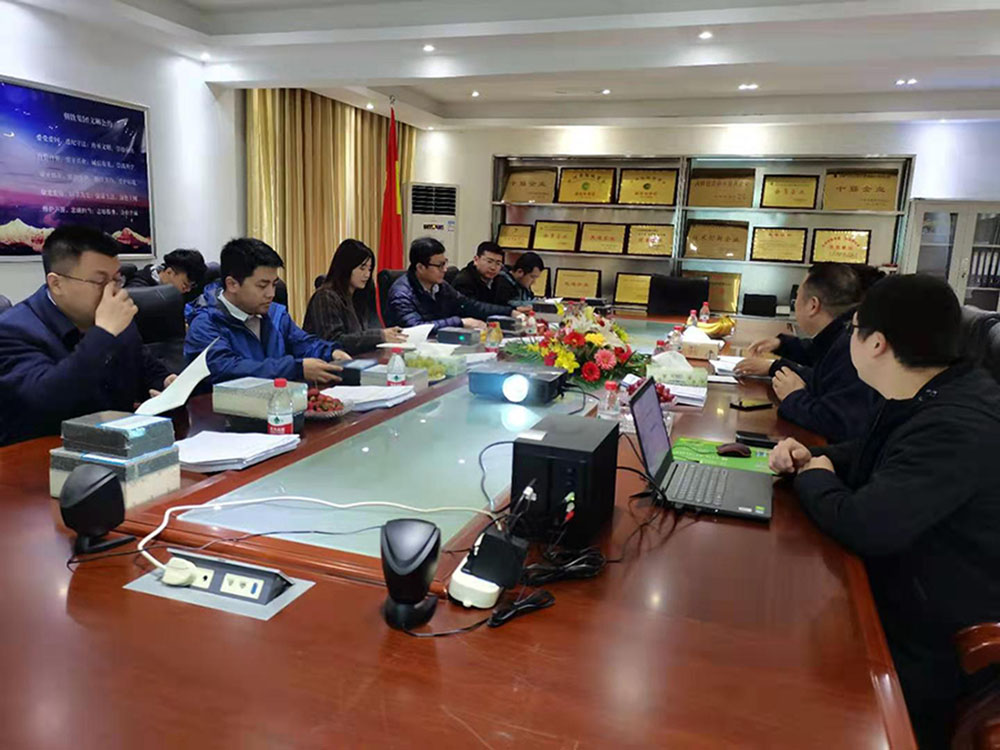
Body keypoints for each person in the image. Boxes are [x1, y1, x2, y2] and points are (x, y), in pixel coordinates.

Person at [769, 274, 1000, 749]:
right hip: (911, 584)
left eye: (853, 329)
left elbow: (866, 526)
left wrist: (813, 476)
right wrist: (821, 457)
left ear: (876, 343)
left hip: (937, 638)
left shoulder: (956, 426)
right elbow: (875, 452)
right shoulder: (935, 391)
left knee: (789, 677)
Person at [0, 226, 175, 447]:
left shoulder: (115, 320)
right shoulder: (12, 330)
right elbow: (46, 402)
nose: (113, 292)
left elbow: (144, 369)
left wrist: (166, 382)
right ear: (56, 284)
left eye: (117, 280)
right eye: (100, 282)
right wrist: (104, 334)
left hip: (118, 449)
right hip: (44, 455)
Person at [735, 263, 881, 442]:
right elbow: (819, 372)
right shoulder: (840, 334)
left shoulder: (850, 347)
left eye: (797, 296)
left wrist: (794, 397)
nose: (795, 302)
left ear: (813, 306)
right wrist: (779, 356)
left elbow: (837, 424)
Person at [185, 237, 349, 385]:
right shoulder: (205, 324)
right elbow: (226, 370)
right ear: (232, 284)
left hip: (279, 402)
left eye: (274, 284)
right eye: (262, 286)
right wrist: (295, 369)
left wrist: (331, 352)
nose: (271, 294)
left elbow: (303, 343)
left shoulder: (275, 314)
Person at [386, 237, 526, 332]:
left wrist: (509, 312)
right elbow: (416, 329)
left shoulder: (441, 286)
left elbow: (469, 305)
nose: (445, 269)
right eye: (439, 265)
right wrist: (460, 322)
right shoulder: (402, 293)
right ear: (420, 267)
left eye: (445, 263)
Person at [303, 239, 406, 355]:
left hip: (358, 359)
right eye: (362, 268)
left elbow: (367, 329)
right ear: (346, 267)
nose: (367, 275)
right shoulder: (325, 297)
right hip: (329, 362)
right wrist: (379, 336)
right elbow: (334, 341)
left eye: (370, 269)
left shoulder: (360, 294)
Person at [126, 248, 207, 296]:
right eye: (185, 285)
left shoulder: (181, 290)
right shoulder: (138, 290)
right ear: (169, 272)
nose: (187, 290)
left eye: (191, 286)